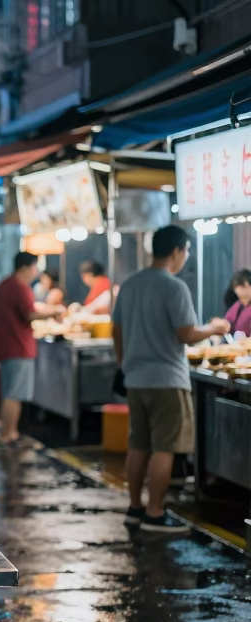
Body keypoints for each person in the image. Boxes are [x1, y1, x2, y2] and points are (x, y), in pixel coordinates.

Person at [113, 225, 230, 533]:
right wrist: (216, 328)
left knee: (138, 444)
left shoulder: (130, 285)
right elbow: (188, 334)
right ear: (177, 250)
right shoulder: (174, 287)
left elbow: (117, 331)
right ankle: (155, 512)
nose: (186, 257)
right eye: (187, 252)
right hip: (166, 379)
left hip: (136, 379)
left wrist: (125, 364)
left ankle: (135, 508)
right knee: (164, 447)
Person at [0, 251, 64, 446]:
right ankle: (7, 434)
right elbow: (29, 314)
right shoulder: (19, 287)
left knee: (10, 392)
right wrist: (53, 314)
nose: (36, 271)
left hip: (7, 345)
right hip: (18, 347)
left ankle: (10, 432)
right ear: (25, 267)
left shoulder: (5, 285)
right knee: (14, 394)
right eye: (34, 266)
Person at [224, 268, 251, 336]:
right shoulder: (237, 306)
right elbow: (227, 322)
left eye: (243, 287)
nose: (240, 291)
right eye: (236, 287)